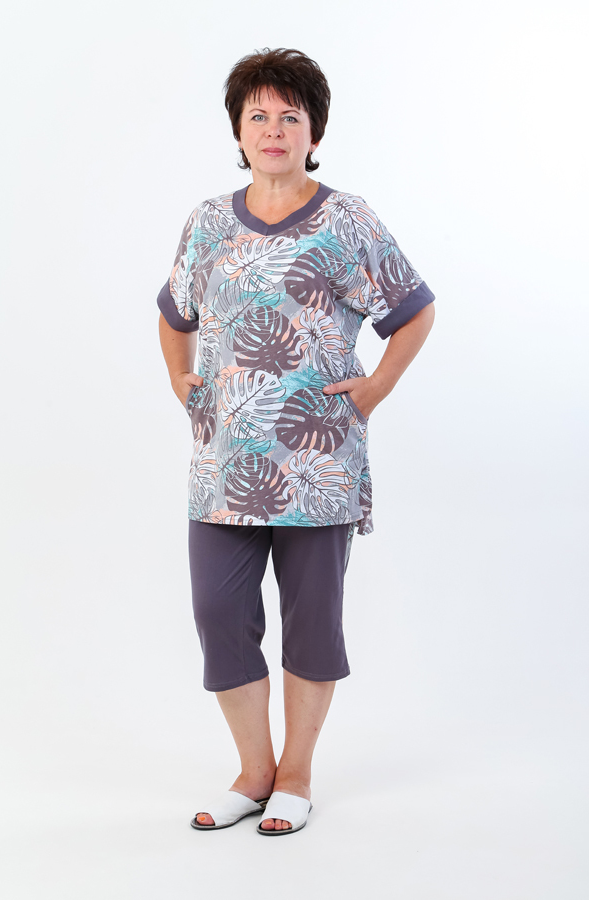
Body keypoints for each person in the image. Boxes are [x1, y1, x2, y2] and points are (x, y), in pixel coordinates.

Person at [157, 47, 435, 836]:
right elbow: (175, 313)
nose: (273, 130)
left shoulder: (348, 219)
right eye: (259, 116)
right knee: (219, 613)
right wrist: (182, 381)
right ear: (238, 131)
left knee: (313, 622)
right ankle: (254, 771)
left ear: (315, 133)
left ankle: (297, 775)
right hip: (222, 466)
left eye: (290, 116)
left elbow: (414, 309)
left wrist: (376, 388)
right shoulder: (209, 222)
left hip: (318, 466)